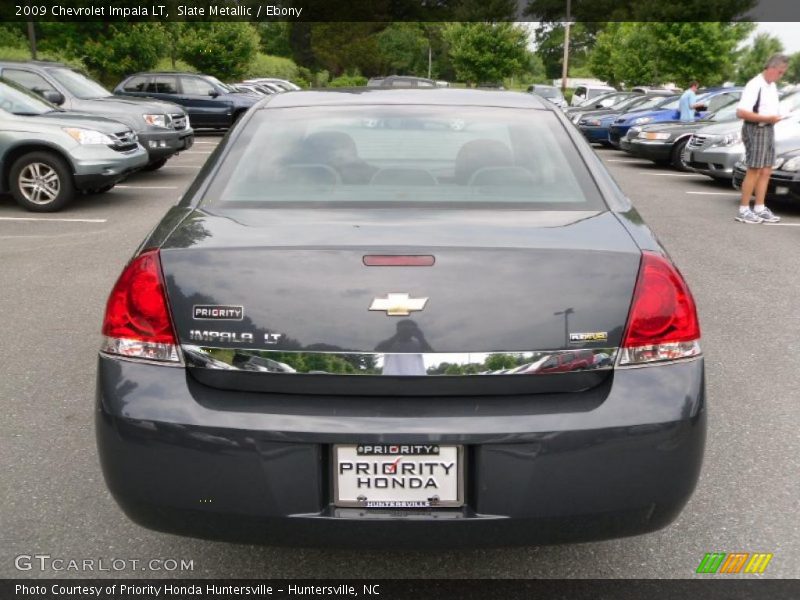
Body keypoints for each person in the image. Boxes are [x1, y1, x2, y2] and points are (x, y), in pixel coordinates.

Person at [734, 54, 790, 224]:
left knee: (766, 170)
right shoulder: (755, 85)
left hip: (768, 128)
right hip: (756, 128)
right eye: (780, 72)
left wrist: (775, 117)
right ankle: (743, 209)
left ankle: (759, 207)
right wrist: (767, 119)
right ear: (772, 68)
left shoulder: (771, 86)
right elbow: (741, 112)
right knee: (754, 169)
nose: (781, 76)